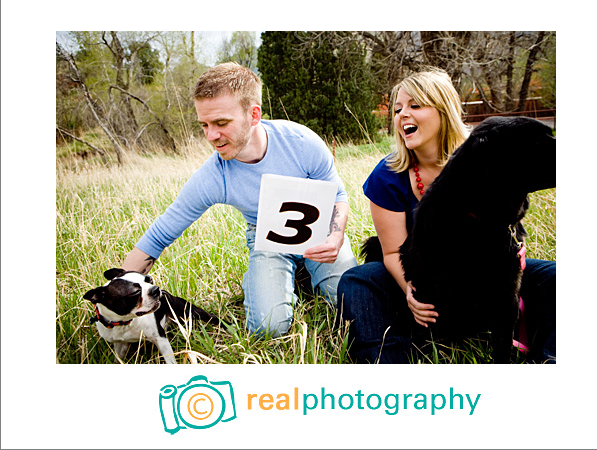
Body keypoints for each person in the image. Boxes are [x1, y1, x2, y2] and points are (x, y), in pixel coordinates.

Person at [122, 62, 358, 337]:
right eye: (205, 125)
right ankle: (264, 280)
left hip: (319, 230)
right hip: (267, 237)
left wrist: (336, 236)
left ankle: (303, 276)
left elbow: (338, 195)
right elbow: (160, 235)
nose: (211, 136)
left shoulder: (301, 142)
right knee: (268, 328)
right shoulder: (214, 176)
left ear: (253, 114)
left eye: (221, 123)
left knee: (350, 307)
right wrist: (116, 294)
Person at [337, 68, 556, 364]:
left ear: (444, 110)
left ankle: (548, 364)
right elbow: (390, 251)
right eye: (398, 109)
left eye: (415, 105)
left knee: (557, 277)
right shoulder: (387, 175)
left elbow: (512, 223)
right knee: (358, 280)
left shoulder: (489, 155)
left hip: (491, 276)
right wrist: (410, 293)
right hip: (429, 283)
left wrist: (514, 249)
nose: (402, 115)